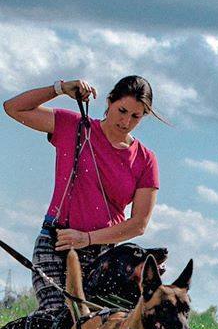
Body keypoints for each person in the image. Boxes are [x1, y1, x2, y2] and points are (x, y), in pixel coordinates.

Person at [3, 76, 161, 314]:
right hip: (57, 246)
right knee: (62, 320)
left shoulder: (145, 160)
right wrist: (59, 88)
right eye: (122, 110)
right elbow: (13, 107)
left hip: (105, 259)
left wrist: (86, 238)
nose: (126, 121)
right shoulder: (74, 127)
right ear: (108, 102)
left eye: (135, 116)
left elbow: (139, 224)